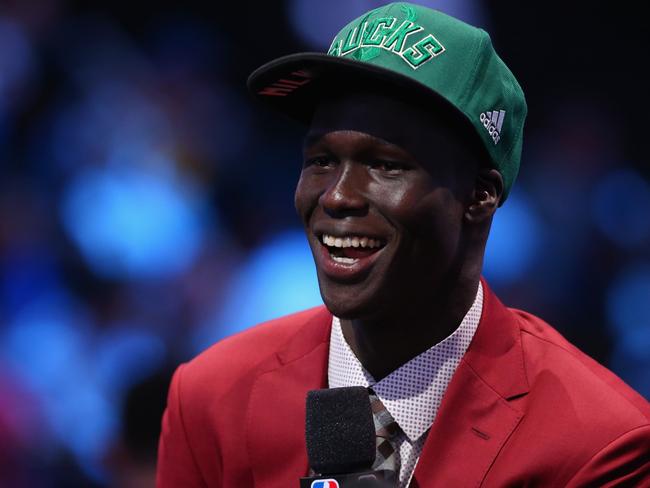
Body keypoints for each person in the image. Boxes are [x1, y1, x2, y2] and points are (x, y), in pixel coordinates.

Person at [157, 3, 650, 487]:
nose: (337, 196)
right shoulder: (210, 400)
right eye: (321, 160)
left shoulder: (599, 444)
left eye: (385, 164)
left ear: (480, 194)